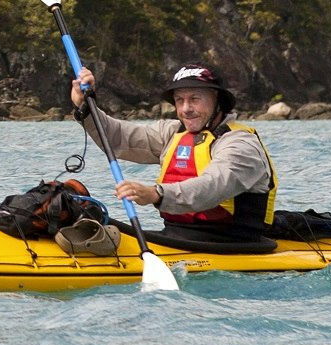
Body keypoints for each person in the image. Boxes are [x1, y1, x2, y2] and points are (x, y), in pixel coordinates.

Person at [67, 62, 278, 241]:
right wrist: (86, 107)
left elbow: (212, 186)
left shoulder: (241, 145)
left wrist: (156, 194)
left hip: (232, 243)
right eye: (180, 100)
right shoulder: (173, 133)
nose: (186, 108)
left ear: (217, 101)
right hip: (176, 237)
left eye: (195, 99)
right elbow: (119, 137)